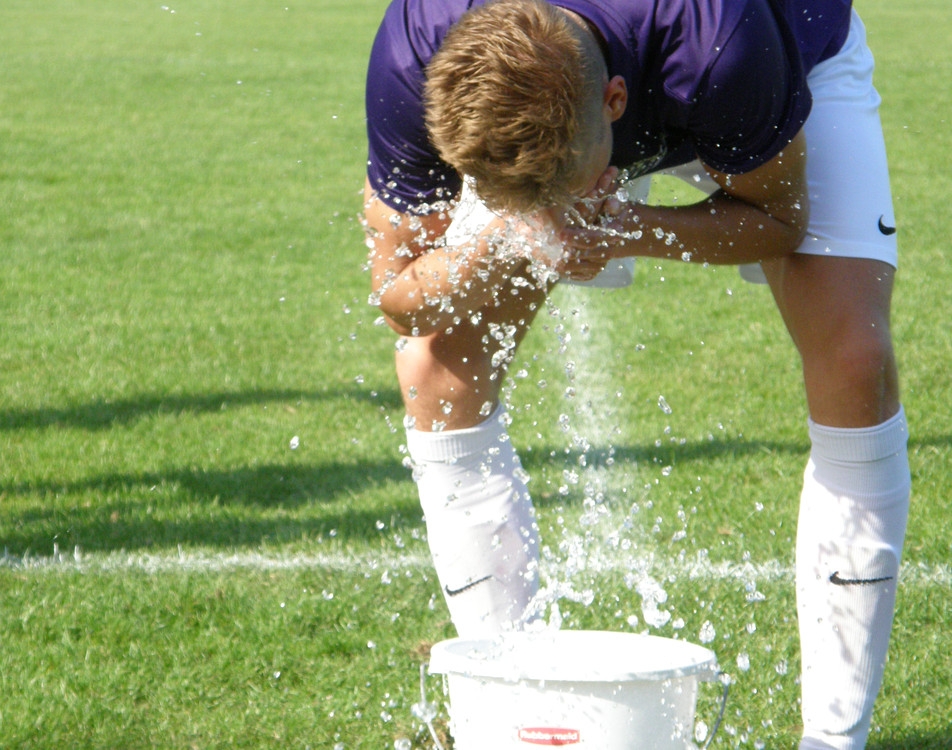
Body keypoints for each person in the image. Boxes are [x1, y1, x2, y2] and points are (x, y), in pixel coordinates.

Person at [361, 1, 910, 748]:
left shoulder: (722, 44)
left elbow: (780, 217)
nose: (551, 215)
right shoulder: (415, 57)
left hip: (782, 57)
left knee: (855, 364)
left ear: (616, 102)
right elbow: (399, 297)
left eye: (558, 191)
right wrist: (496, 240)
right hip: (607, 103)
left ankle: (833, 740)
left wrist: (633, 228)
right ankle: (514, 714)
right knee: (436, 375)